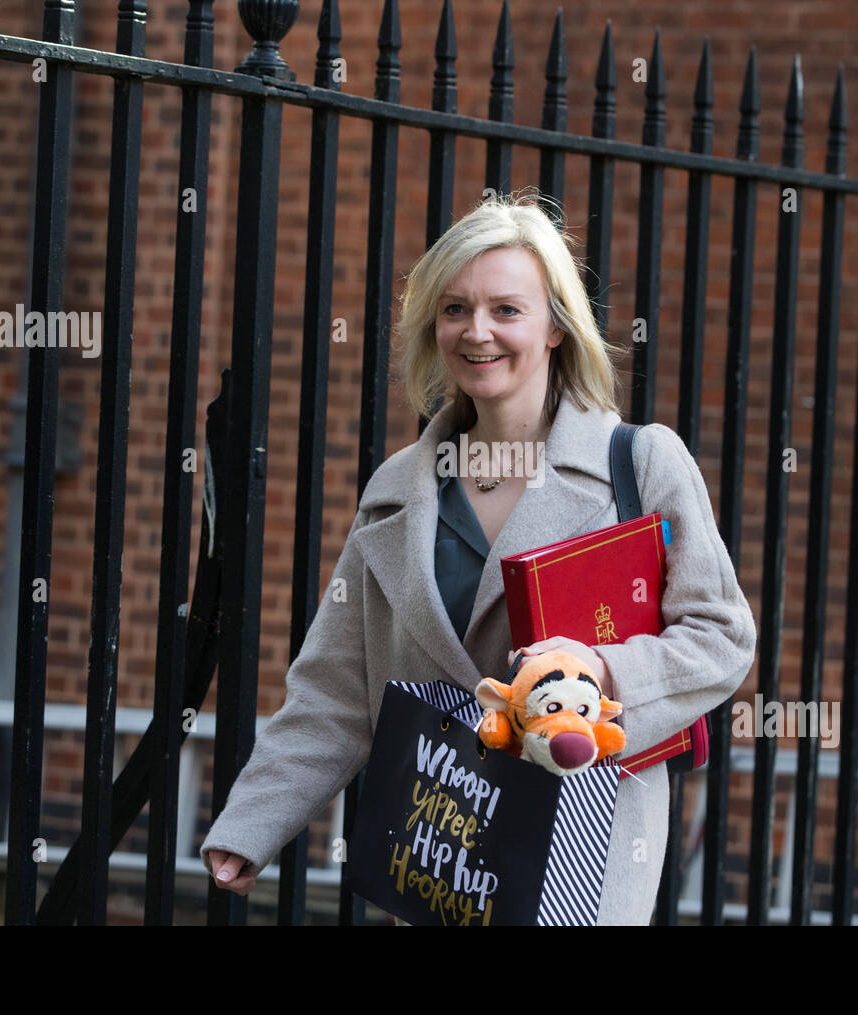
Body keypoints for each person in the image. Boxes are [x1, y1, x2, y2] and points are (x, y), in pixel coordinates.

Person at [201, 191, 756, 925]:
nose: (477, 331)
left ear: (557, 325)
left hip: (580, 866)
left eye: (506, 309)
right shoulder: (398, 490)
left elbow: (722, 638)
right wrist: (253, 823)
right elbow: (336, 687)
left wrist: (602, 671)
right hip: (440, 858)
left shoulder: (642, 463)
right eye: (455, 308)